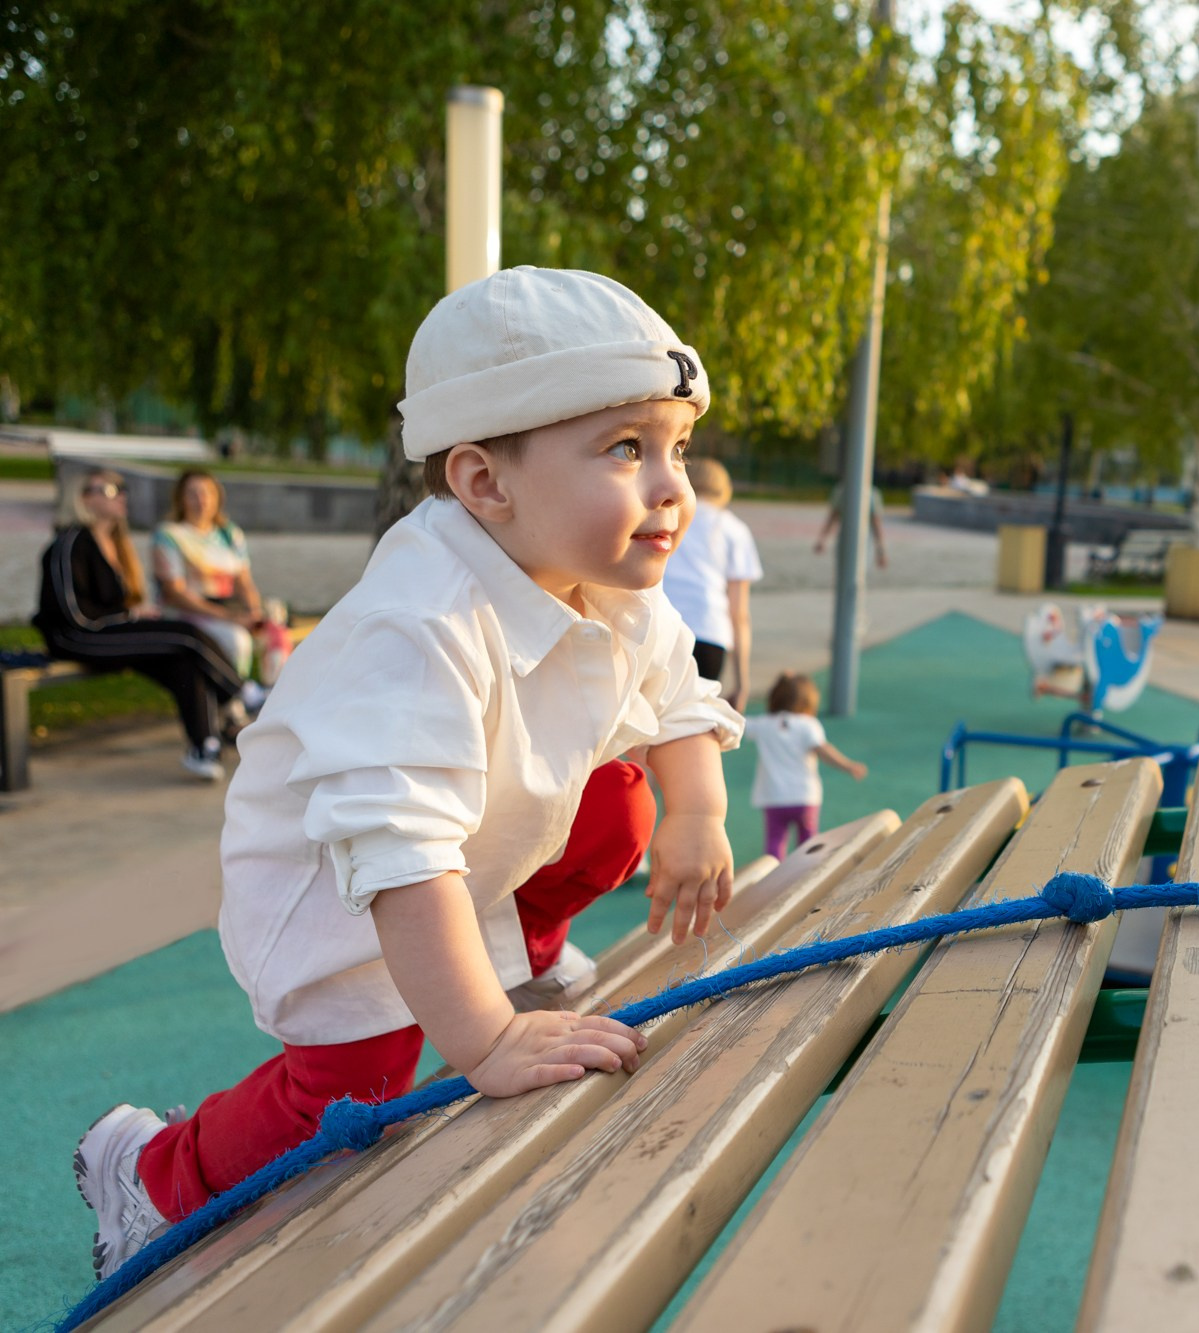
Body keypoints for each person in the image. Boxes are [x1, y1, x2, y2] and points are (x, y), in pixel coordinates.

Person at [71, 266, 745, 1282]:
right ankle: (155, 1174)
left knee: (624, 800)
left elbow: (678, 695)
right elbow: (395, 853)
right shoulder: (419, 621)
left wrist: (697, 810)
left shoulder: (605, 585)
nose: (670, 487)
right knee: (358, 1091)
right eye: (624, 449)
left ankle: (520, 947)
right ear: (484, 484)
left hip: (469, 840)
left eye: (675, 447)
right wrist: (483, 1042)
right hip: (340, 876)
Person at [33, 468, 248, 781]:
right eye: (108, 490)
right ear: (84, 499)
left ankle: (205, 747)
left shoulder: (114, 543)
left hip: (105, 632)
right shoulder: (69, 544)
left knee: (183, 660)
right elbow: (75, 614)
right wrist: (128, 617)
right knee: (185, 636)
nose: (120, 496)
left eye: (122, 489)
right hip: (77, 637)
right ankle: (243, 694)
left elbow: (117, 606)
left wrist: (133, 614)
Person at [152, 468, 281, 695]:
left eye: (207, 493)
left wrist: (253, 611)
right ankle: (234, 704)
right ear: (181, 498)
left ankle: (273, 698)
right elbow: (175, 593)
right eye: (193, 493)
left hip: (229, 609)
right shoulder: (170, 535)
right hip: (190, 613)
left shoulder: (229, 534)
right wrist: (230, 617)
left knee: (275, 634)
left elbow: (244, 581)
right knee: (236, 640)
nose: (201, 500)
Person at [661, 458, 763, 709]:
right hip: (710, 632)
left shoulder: (669, 517)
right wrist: (742, 682)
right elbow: (739, 614)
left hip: (664, 628)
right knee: (694, 721)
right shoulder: (734, 530)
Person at [742, 671, 866, 859]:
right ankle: (807, 877)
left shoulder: (763, 724)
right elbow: (823, 750)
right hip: (804, 796)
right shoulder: (808, 724)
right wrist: (847, 765)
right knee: (808, 844)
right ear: (808, 701)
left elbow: (736, 723)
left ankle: (772, 881)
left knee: (774, 843)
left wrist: (737, 697)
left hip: (773, 797)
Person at [813, 479, 889, 569]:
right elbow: (833, 517)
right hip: (848, 539)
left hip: (862, 541)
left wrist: (881, 551)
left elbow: (876, 523)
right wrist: (822, 539)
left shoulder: (870, 493)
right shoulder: (844, 491)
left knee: (854, 569)